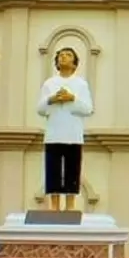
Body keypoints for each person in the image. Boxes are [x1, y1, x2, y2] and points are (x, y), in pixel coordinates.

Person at [36, 47, 93, 211]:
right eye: (60, 55)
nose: (63, 58)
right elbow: (40, 109)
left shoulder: (81, 84)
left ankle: (70, 205)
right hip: (53, 133)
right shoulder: (49, 83)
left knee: (72, 169)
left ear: (74, 64)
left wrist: (72, 98)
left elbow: (88, 108)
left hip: (73, 134)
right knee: (53, 169)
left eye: (68, 55)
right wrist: (52, 99)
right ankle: (54, 205)